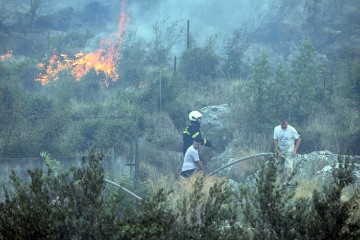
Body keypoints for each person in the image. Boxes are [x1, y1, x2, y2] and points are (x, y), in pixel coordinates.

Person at [273, 119, 301, 185]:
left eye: (285, 124)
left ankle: (287, 182)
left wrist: (294, 150)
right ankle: (281, 183)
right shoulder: (276, 129)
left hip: (289, 150)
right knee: (280, 167)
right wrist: (277, 150)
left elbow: (298, 140)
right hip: (280, 150)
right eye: (282, 124)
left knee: (288, 167)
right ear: (280, 123)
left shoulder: (291, 130)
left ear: (287, 123)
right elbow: (275, 140)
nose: (284, 126)